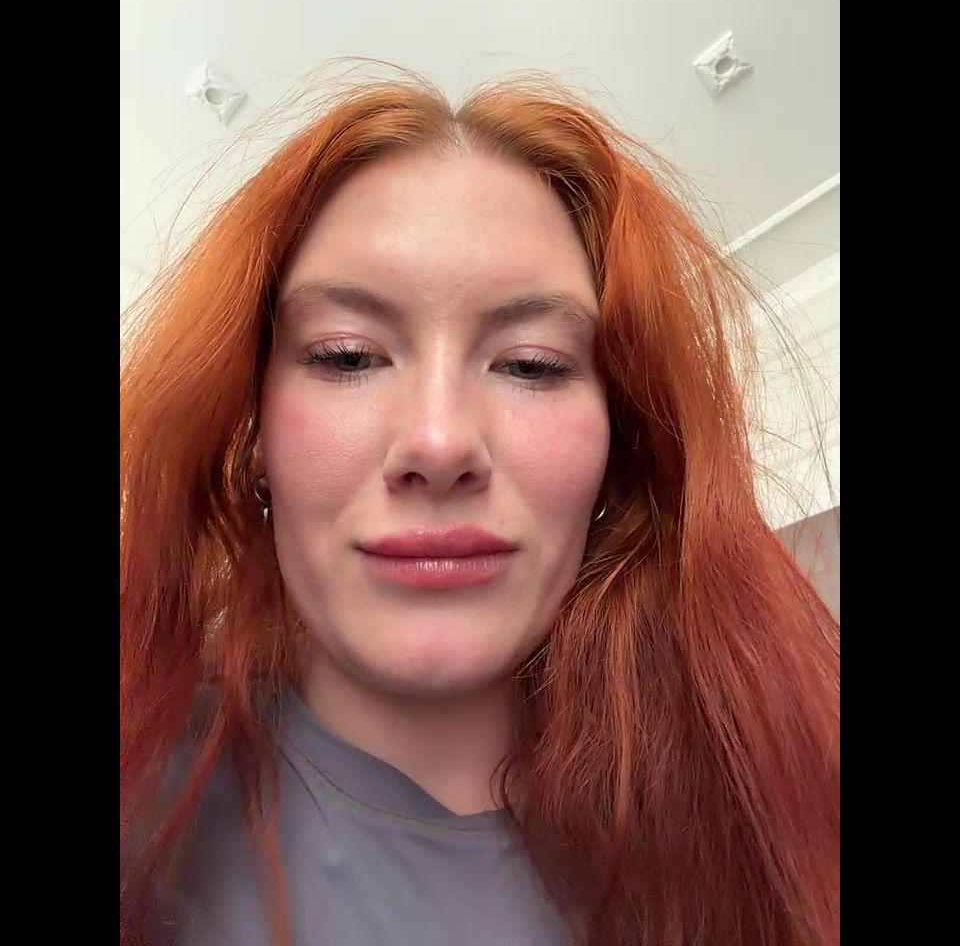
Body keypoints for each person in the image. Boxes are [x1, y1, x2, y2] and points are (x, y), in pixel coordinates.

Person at [120, 73, 840, 946]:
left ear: (618, 450)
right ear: (253, 432)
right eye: (347, 356)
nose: (438, 442)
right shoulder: (140, 795)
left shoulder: (769, 810)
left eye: (532, 365)